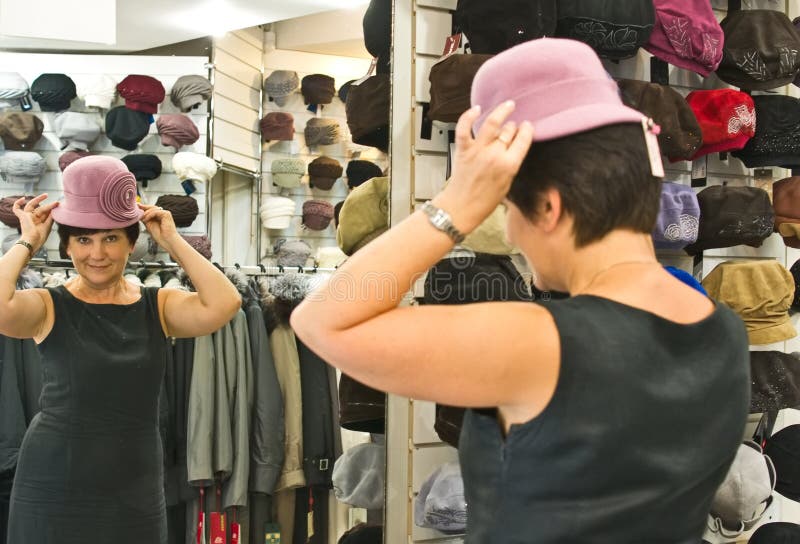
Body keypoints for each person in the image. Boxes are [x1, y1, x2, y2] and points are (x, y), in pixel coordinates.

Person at [291, 39, 750, 543]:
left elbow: (322, 320)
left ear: (549, 209)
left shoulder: (543, 344)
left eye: (507, 209)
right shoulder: (722, 326)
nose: (509, 233)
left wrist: (455, 206)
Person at [2, 155, 241, 543]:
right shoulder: (48, 306)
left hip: (135, 488)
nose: (97, 254)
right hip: (53, 482)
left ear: (132, 243)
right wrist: (28, 241)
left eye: (111, 237)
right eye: (83, 239)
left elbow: (225, 304)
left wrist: (172, 240)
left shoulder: (158, 305)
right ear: (66, 246)